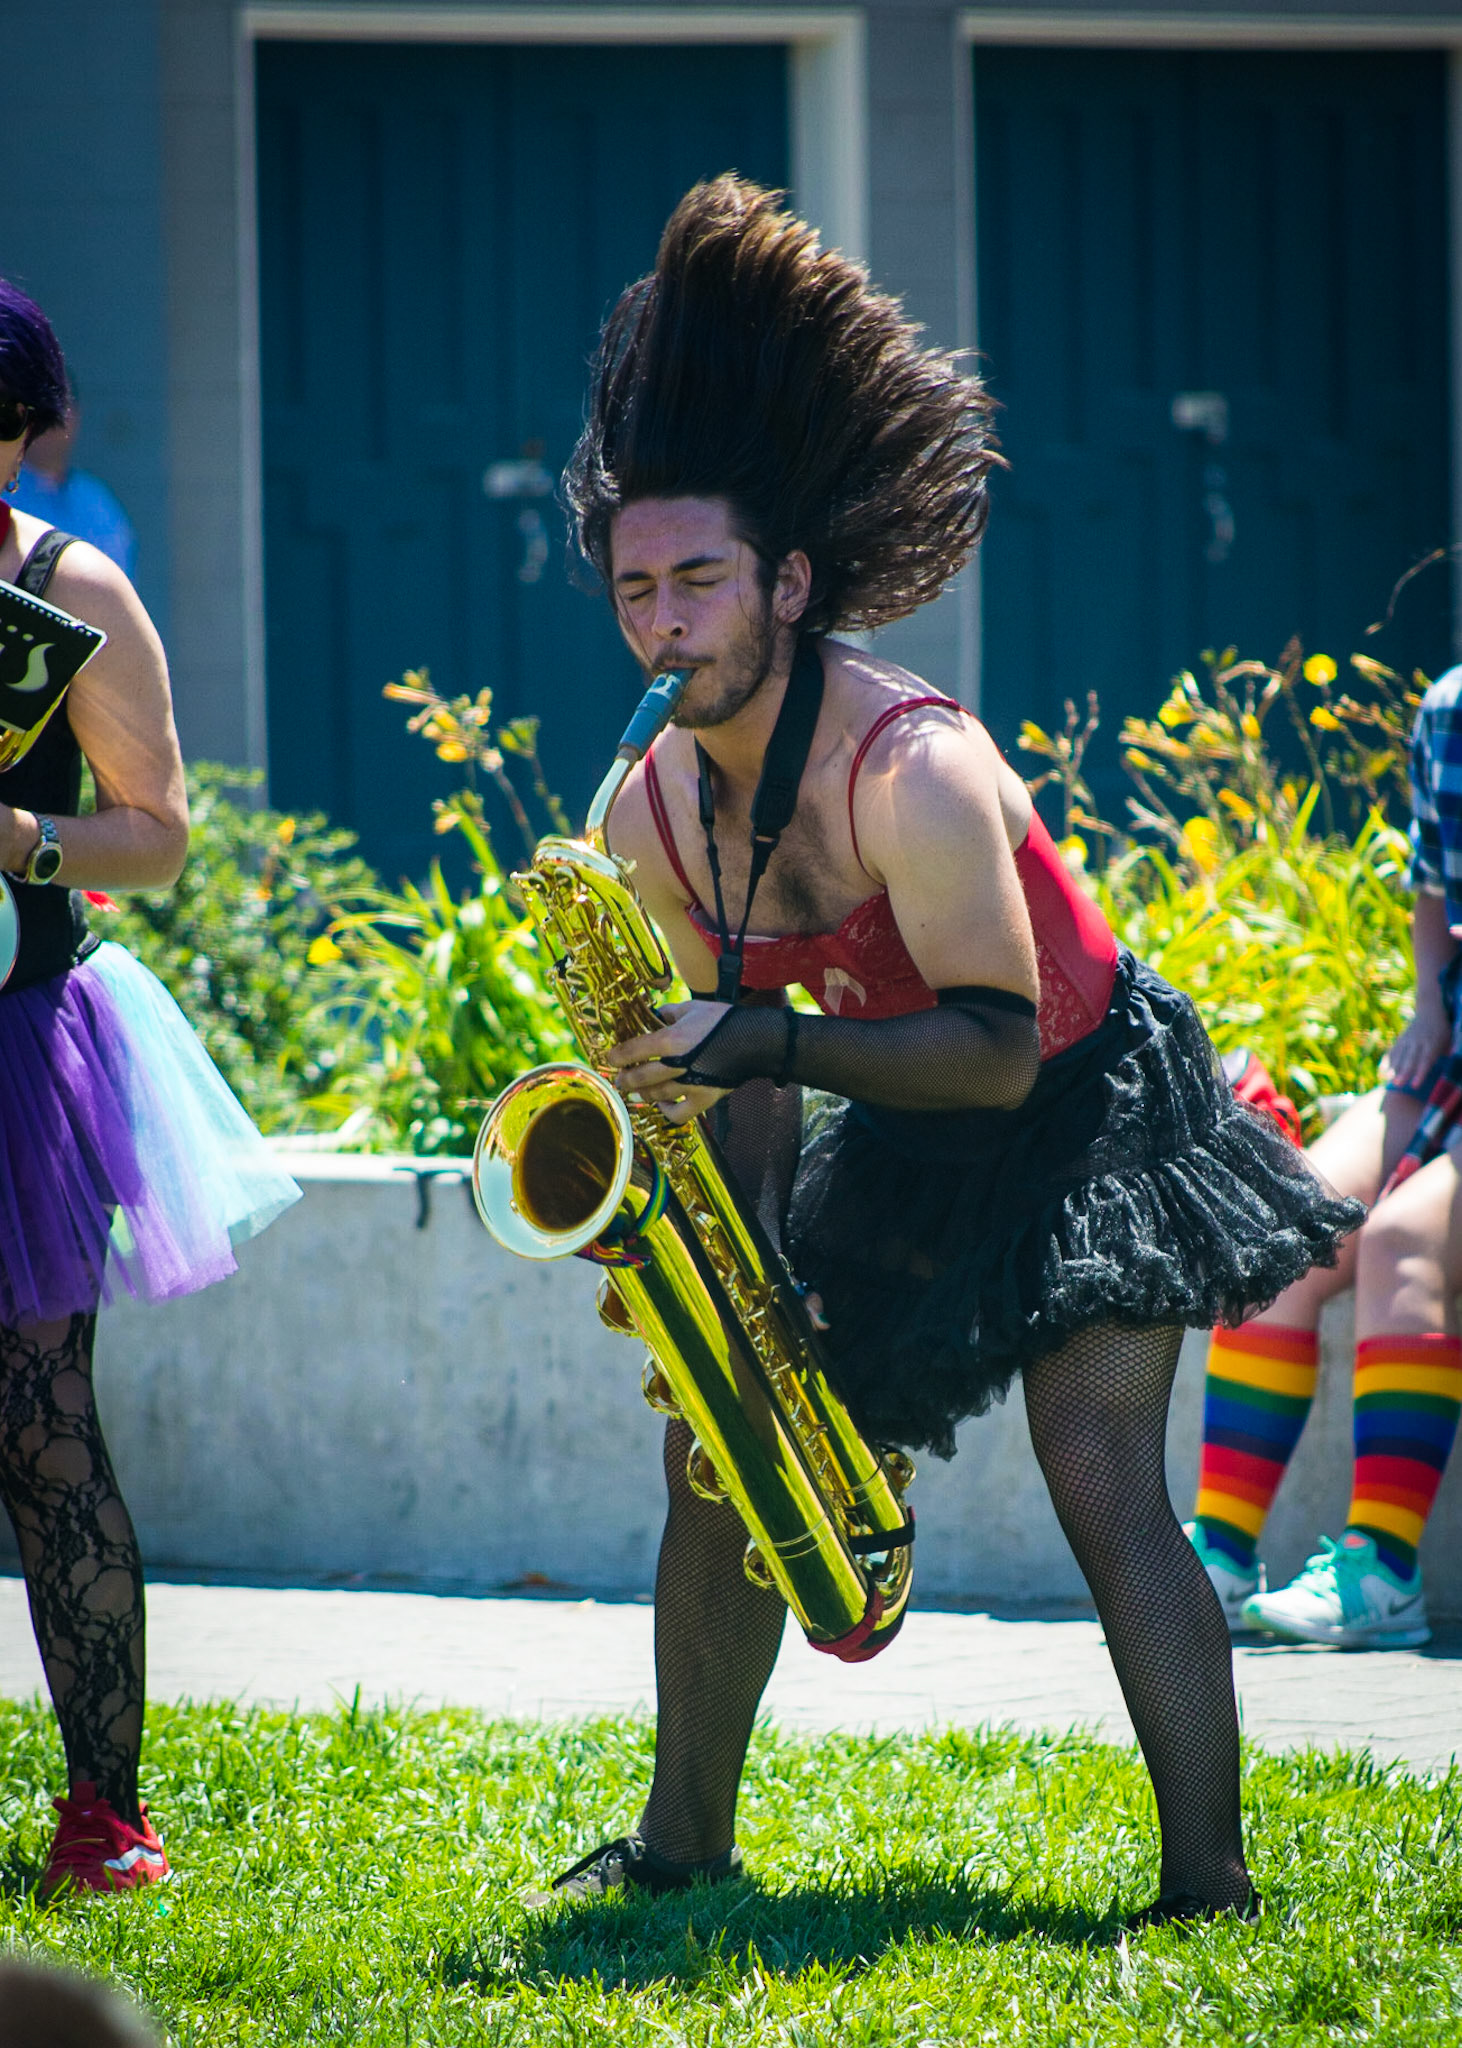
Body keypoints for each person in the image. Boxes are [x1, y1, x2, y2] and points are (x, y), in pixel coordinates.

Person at [535, 177, 1364, 1926]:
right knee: (714, 1442)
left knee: (1093, 1469)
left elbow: (992, 1047)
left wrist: (758, 1029)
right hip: (898, 1116)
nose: (664, 623)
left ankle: (1207, 1886)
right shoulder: (646, 813)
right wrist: (733, 1300)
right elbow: (735, 1080)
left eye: (699, 580)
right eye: (634, 590)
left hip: (1079, 1105)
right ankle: (682, 1844)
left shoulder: (908, 764)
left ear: (789, 579)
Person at [0, 280, 300, 1893]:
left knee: (42, 1428)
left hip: (17, 1044)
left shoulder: (72, 591)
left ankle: (104, 1813)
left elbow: (164, 834)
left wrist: (26, 838)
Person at [1186, 665, 1462, 1649]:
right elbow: (1434, 886)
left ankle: (1381, 1571)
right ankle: (1213, 1558)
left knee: (1400, 1240)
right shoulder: (1448, 708)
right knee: (1283, 1225)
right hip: (1452, 1060)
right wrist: (1429, 1013)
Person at [13, 383, 137, 577]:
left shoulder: (99, 503)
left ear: (76, 416)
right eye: (42, 410)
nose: (51, 423)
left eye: (60, 409)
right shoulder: (5, 493)